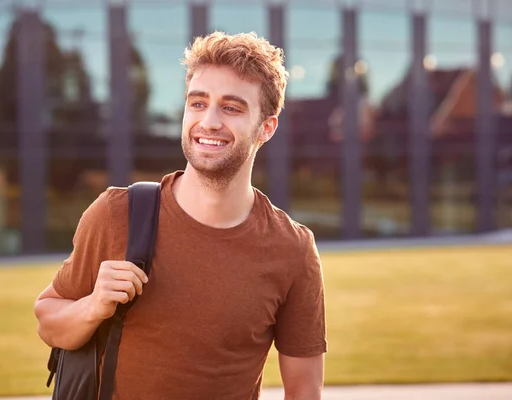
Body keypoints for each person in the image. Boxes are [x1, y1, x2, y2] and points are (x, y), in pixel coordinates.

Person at [34, 31, 327, 400]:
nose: (209, 122)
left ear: (265, 128)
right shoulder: (116, 214)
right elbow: (49, 319)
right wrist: (93, 306)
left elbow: (304, 387)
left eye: (232, 108)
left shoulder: (292, 248)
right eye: (198, 103)